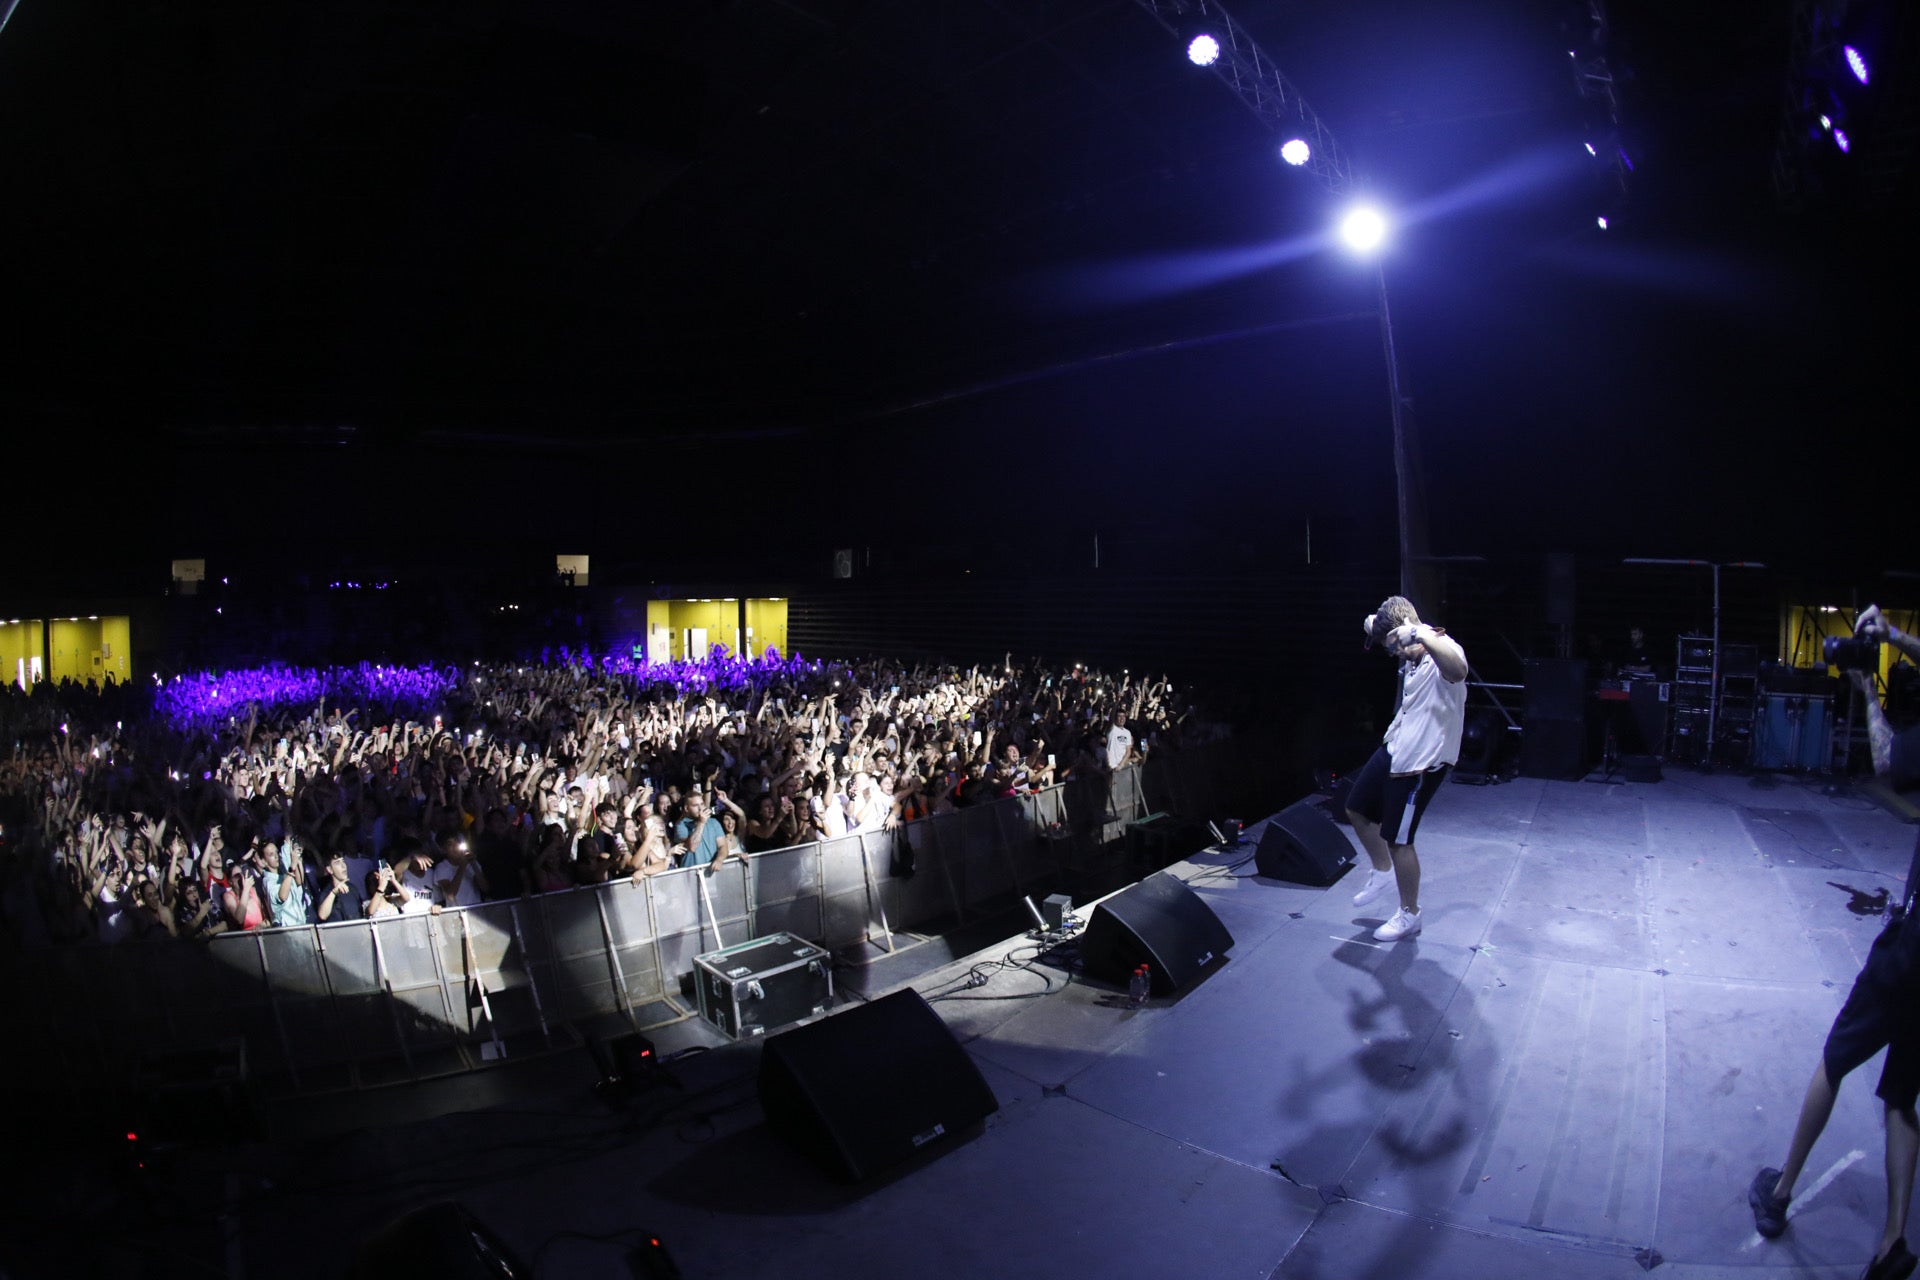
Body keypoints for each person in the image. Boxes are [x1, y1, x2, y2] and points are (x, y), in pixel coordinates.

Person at [1750, 604, 1918, 1280]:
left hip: (1914, 950)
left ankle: (1781, 1191)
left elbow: (1885, 761)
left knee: (1836, 1059)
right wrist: (1895, 638)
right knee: (1903, 1093)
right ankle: (1893, 1242)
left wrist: (1860, 683)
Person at [1346, 595, 1470, 942]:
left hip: (1421, 762)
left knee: (1399, 840)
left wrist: (1418, 633)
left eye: (1396, 645)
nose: (1395, 653)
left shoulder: (1441, 648)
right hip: (1398, 744)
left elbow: (1459, 671)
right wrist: (1378, 626)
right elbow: (1373, 623)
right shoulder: (1403, 643)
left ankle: (1409, 913)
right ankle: (1382, 871)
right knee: (1356, 808)